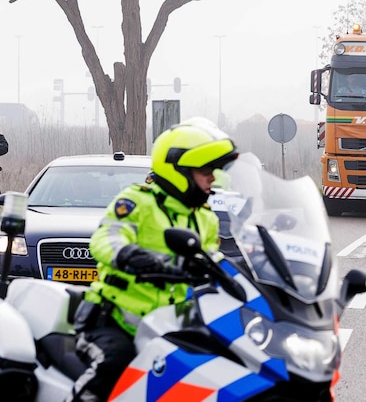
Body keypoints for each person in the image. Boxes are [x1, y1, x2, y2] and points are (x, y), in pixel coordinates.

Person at [67, 119, 239, 401]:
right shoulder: (138, 202)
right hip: (113, 321)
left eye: (215, 171)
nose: (213, 178)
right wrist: (131, 255)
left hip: (173, 325)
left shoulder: (205, 218)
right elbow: (105, 239)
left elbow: (213, 261)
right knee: (112, 364)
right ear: (178, 169)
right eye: (206, 170)